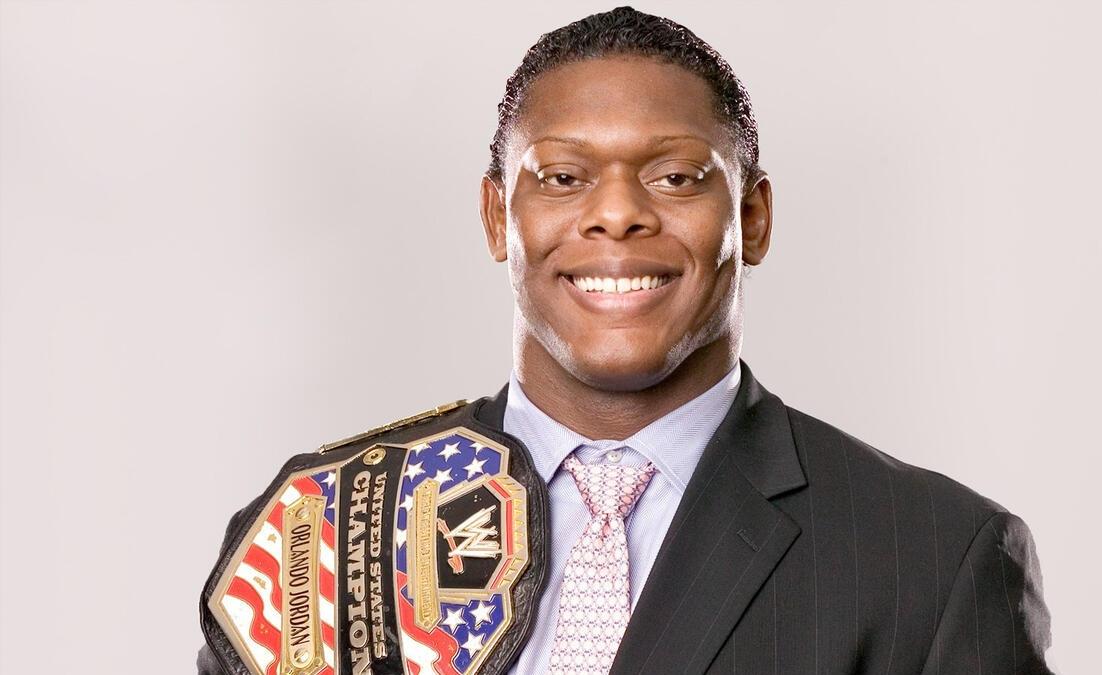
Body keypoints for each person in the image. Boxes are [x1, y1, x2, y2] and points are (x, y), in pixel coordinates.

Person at [199, 6, 1053, 674]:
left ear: (751, 217)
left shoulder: (932, 558)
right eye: (563, 177)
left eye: (676, 177)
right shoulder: (325, 526)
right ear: (499, 216)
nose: (616, 212)